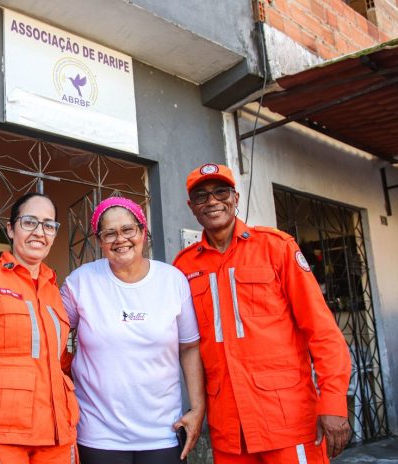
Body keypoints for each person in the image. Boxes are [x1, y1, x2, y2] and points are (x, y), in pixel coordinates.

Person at [173, 164, 352, 463]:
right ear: (192, 207)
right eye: (201, 196)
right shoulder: (184, 267)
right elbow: (186, 345)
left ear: (236, 197)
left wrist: (333, 402)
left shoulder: (276, 247)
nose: (213, 201)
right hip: (228, 427)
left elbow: (321, 330)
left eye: (221, 192)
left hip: (286, 418)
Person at [60, 196, 205, 464]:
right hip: (98, 434)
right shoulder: (80, 283)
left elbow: (189, 347)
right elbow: (51, 338)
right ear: (99, 241)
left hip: (163, 433)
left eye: (128, 229)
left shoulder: (172, 280)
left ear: (143, 231)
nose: (121, 239)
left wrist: (198, 408)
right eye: (110, 233)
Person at [0, 192, 79, 464]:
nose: (39, 232)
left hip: (57, 434)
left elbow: (57, 361)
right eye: (29, 222)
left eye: (48, 225)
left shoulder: (53, 287)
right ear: (10, 228)